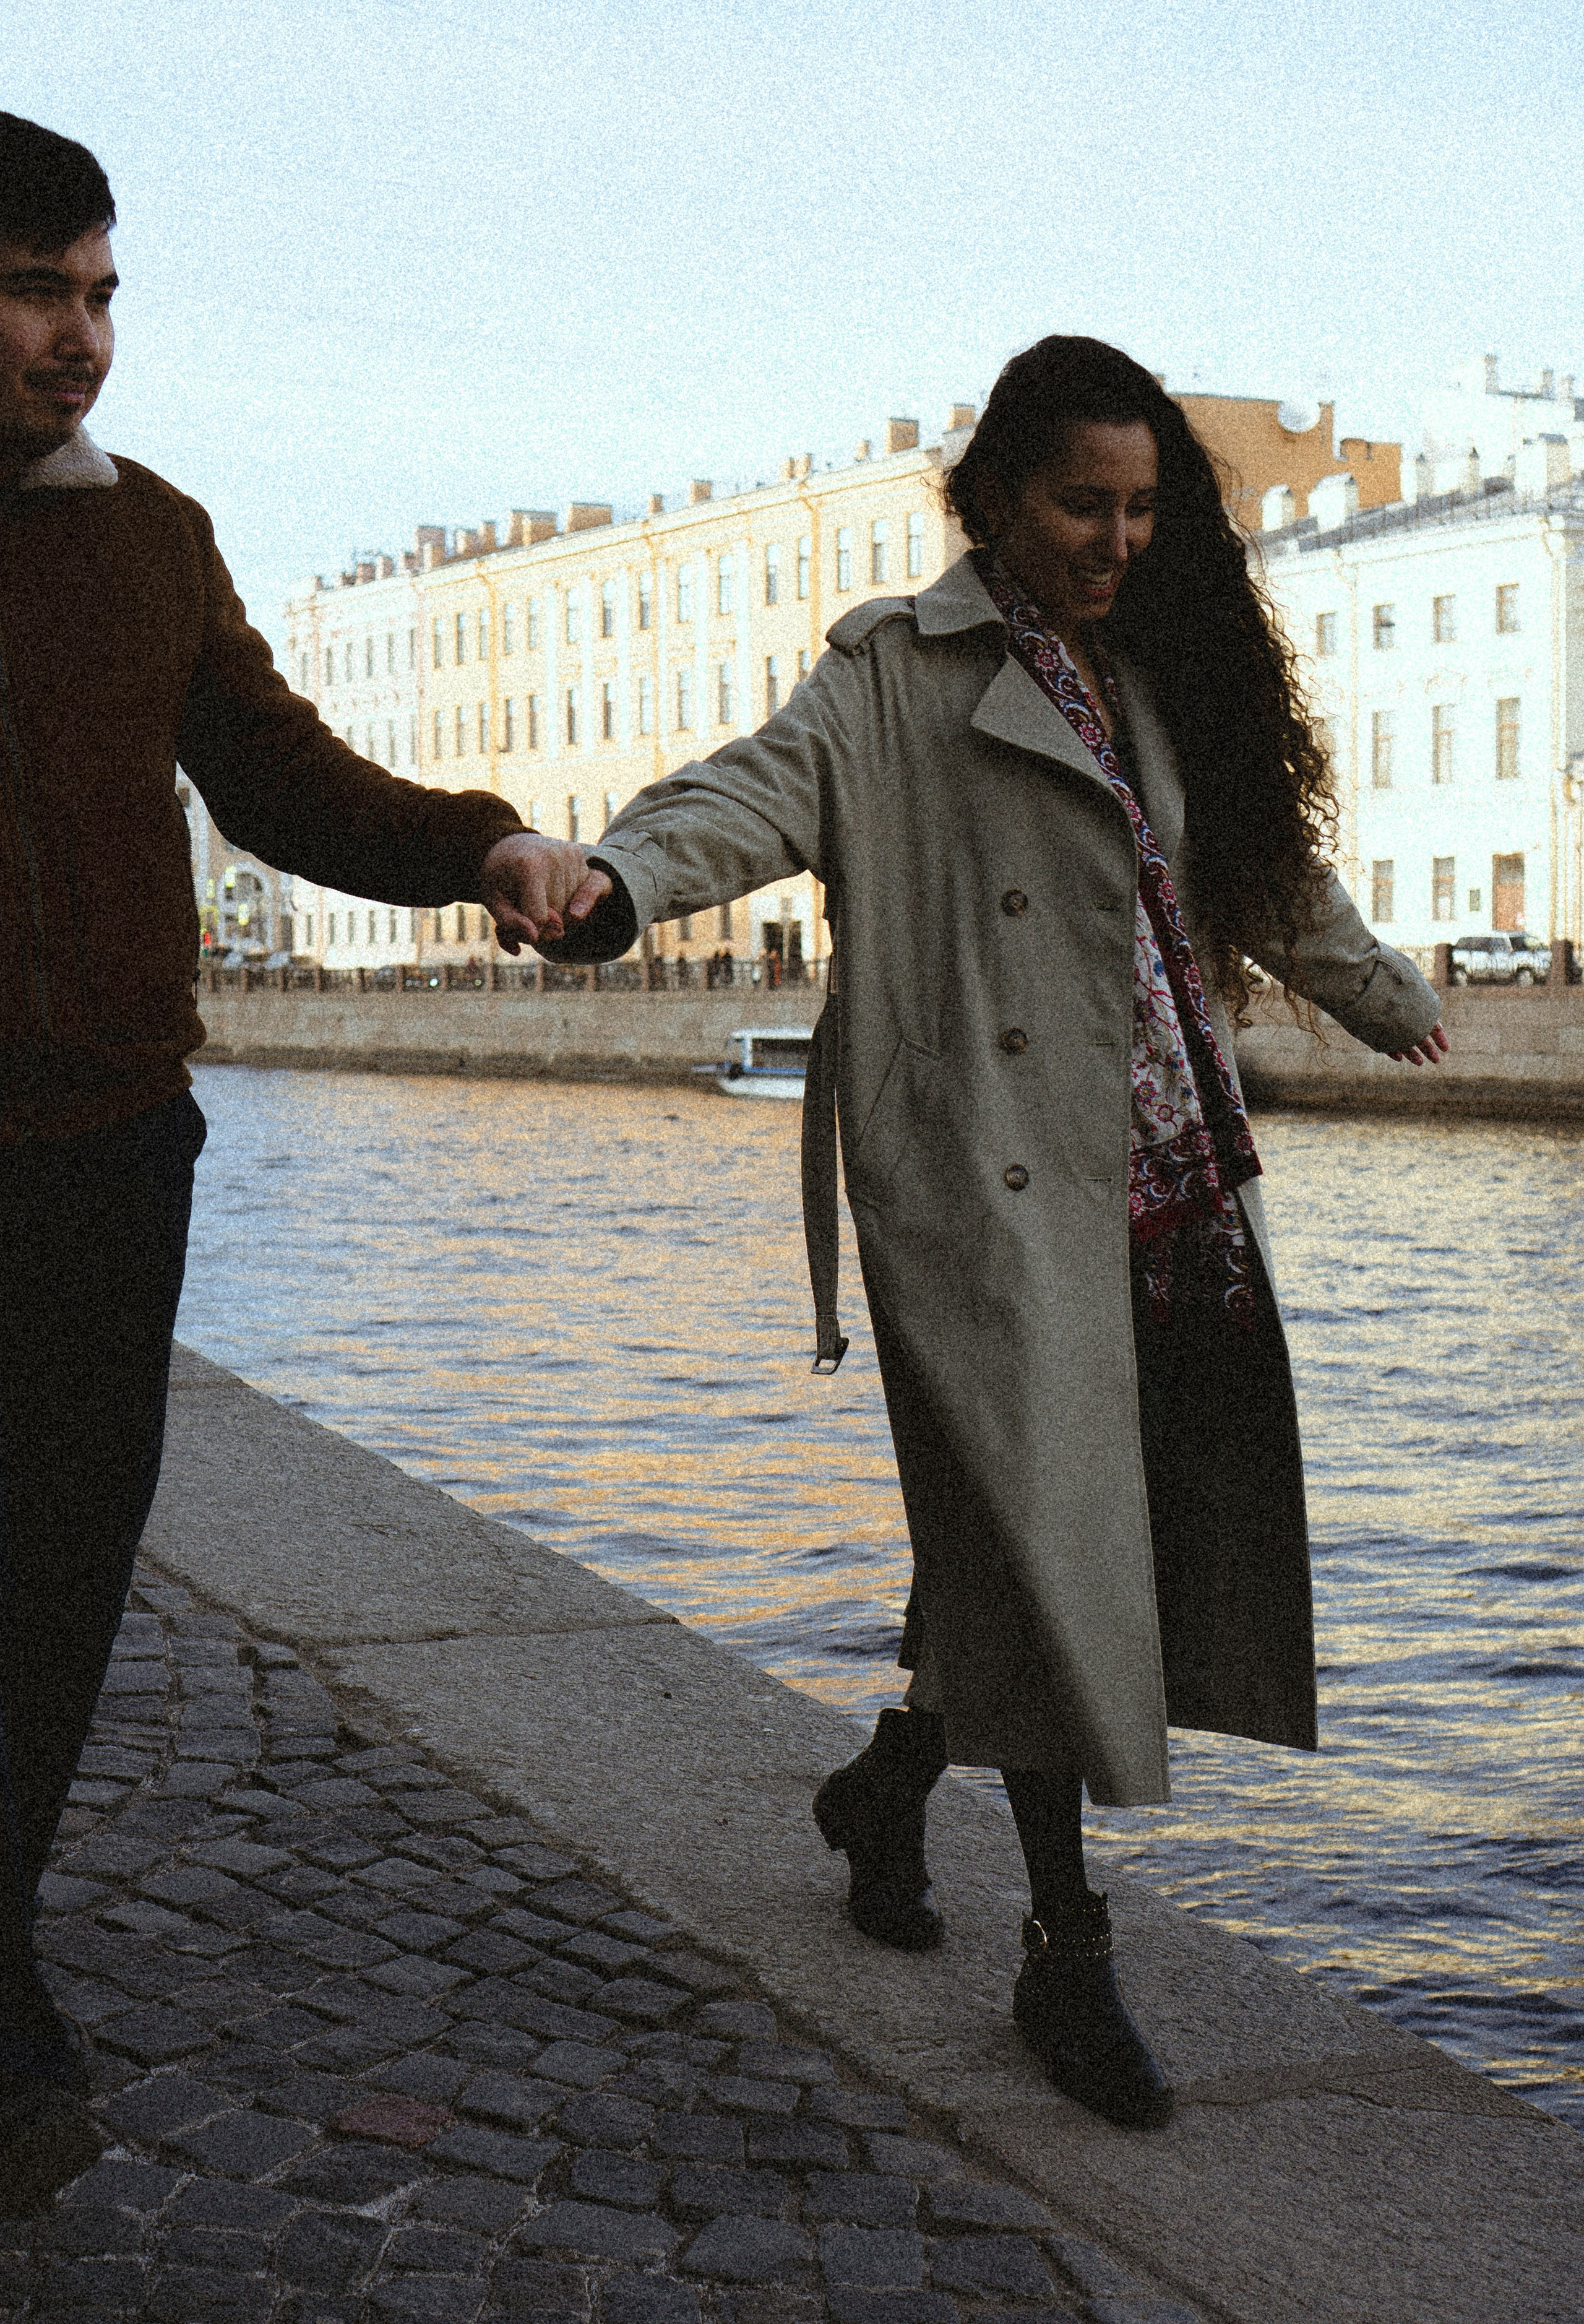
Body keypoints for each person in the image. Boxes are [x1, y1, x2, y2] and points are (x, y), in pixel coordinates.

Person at [538, 335, 1448, 2130]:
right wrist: (618, 884)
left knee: (1062, 1539)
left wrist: (1375, 991)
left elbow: (1262, 870)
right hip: (991, 1195)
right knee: (1049, 1549)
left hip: (1168, 1184)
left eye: (1142, 508)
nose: (1118, 539)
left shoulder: (1164, 673)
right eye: (1080, 504)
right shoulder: (897, 677)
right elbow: (749, 792)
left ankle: (887, 1789)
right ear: (994, 502)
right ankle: (1067, 1955)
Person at [0, 113, 592, 2210]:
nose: (81, 339)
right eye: (33, 291)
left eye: (100, 294)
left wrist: (483, 846)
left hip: (102, 1148)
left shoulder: (146, 534)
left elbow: (273, 776)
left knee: (59, 1578)